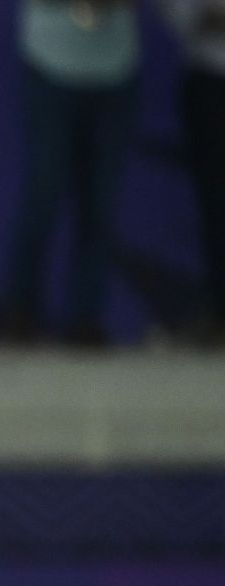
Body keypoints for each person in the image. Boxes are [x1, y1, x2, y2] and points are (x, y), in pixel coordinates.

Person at [0, 0, 140, 345]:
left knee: (99, 205)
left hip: (115, 69)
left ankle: (84, 319)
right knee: (43, 196)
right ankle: (19, 313)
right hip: (51, 63)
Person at [160, 0, 225, 343]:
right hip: (208, 81)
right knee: (216, 206)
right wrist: (201, 18)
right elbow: (181, 13)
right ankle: (220, 313)